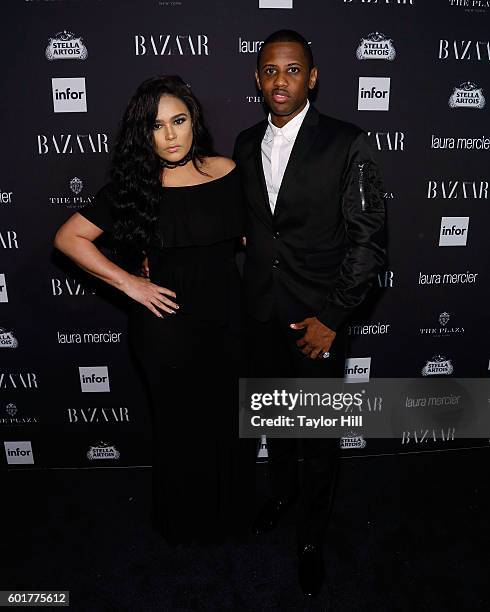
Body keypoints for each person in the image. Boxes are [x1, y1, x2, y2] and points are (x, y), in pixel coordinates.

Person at [54, 75, 255, 546]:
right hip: (166, 328)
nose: (169, 135)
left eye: (178, 121)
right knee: (180, 429)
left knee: (229, 422)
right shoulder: (135, 186)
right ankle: (183, 525)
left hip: (228, 320)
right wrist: (131, 284)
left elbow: (255, 237)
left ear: (194, 122)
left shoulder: (227, 172)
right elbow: (68, 238)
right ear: (142, 134)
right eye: (156, 125)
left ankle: (232, 517)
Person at [233, 30, 387, 596]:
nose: (280, 80)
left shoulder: (348, 143)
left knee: (318, 439)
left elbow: (369, 243)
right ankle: (280, 492)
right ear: (257, 78)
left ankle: (311, 538)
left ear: (312, 77)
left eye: (292, 70)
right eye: (270, 70)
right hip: (259, 314)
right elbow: (248, 228)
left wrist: (332, 318)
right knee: (274, 418)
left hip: (315, 321)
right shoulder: (245, 144)